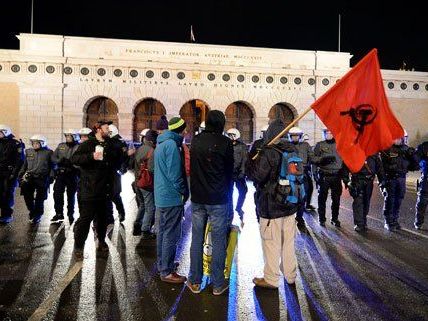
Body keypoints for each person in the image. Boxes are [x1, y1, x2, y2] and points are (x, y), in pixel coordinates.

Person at [246, 119, 299, 289]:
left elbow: (257, 176)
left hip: (271, 205)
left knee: (271, 242)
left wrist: (250, 161)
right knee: (288, 241)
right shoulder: (292, 150)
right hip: (289, 203)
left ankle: (270, 278)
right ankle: (290, 275)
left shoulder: (269, 152)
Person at [186, 110, 234, 295]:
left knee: (197, 239)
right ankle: (217, 284)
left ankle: (195, 281)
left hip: (198, 198)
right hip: (218, 199)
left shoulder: (196, 140)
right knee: (219, 240)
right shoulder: (225, 142)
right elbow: (229, 172)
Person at [71, 120, 122, 259]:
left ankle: (101, 241)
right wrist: (90, 156)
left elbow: (116, 163)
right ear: (99, 129)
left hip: (105, 190)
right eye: (106, 128)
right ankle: (79, 247)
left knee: (103, 219)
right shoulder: (88, 144)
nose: (108, 131)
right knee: (85, 220)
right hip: (89, 190)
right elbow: (74, 159)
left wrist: (123, 155)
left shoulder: (110, 144)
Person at [154, 117, 189, 284]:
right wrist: (183, 191)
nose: (187, 132)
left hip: (161, 196)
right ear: (180, 130)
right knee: (170, 234)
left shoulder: (161, 144)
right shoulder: (172, 146)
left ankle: (163, 265)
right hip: (171, 197)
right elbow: (175, 175)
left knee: (162, 233)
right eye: (185, 129)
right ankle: (167, 271)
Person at [380, 133, 418, 230]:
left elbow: (415, 166)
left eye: (401, 138)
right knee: (390, 200)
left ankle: (395, 220)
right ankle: (388, 221)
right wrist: (384, 178)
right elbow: (381, 166)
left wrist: (413, 156)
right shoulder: (387, 149)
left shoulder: (406, 149)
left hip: (402, 178)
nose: (399, 139)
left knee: (398, 200)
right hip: (391, 178)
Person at [313, 128, 349, 227]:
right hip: (324, 175)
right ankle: (322, 219)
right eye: (326, 133)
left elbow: (344, 162)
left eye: (330, 132)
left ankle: (335, 218)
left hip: (337, 176)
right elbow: (313, 159)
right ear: (324, 134)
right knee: (322, 199)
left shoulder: (340, 145)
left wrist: (345, 177)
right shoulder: (319, 145)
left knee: (336, 199)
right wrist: (315, 172)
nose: (328, 134)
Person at [18, 135, 55, 224]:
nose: (34, 145)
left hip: (42, 178)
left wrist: (51, 176)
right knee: (27, 195)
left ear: (42, 143)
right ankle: (32, 210)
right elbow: (25, 165)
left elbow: (52, 166)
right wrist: (20, 174)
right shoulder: (28, 151)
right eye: (33, 143)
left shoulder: (48, 152)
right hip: (29, 177)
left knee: (40, 198)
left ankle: (38, 214)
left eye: (37, 143)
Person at [287, 126, 316, 229]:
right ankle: (290, 218)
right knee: (289, 197)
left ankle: (300, 218)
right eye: (293, 136)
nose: (295, 138)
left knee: (302, 198)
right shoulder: (286, 146)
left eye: (296, 136)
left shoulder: (306, 145)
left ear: (300, 136)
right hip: (289, 175)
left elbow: (312, 157)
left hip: (303, 175)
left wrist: (320, 160)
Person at [349, 154, 385, 232]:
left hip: (369, 182)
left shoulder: (373, 154)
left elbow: (379, 168)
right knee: (358, 202)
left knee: (366, 202)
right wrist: (347, 180)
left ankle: (363, 221)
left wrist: (382, 180)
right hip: (357, 181)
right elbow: (346, 165)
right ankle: (359, 224)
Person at [51, 129, 80, 224]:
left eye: (69, 136)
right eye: (66, 136)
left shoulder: (79, 147)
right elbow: (53, 157)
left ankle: (70, 214)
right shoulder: (61, 146)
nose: (67, 138)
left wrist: (72, 164)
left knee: (71, 195)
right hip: (61, 174)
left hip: (72, 174)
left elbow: (81, 161)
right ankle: (59, 213)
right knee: (57, 194)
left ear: (74, 137)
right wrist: (60, 161)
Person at [133, 129, 158, 238]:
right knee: (150, 207)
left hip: (137, 181)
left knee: (142, 205)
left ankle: (137, 225)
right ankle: (145, 230)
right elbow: (152, 169)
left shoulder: (140, 148)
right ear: (153, 141)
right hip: (146, 183)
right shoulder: (151, 151)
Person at [0, 125, 24, 224]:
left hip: (10, 173)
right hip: (0, 172)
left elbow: (20, 160)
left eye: (1, 132)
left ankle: (7, 215)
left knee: (7, 194)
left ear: (5, 132)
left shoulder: (15, 144)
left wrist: (14, 173)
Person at [226, 128, 248, 225]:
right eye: (229, 135)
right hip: (229, 173)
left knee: (243, 191)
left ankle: (239, 207)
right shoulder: (226, 145)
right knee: (229, 193)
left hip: (239, 174)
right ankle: (229, 211)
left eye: (232, 135)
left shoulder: (242, 146)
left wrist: (242, 173)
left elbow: (244, 160)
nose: (231, 137)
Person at [108, 124, 128, 222]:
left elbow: (124, 158)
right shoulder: (109, 142)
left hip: (114, 172)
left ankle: (120, 212)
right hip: (110, 172)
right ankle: (111, 215)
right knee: (110, 195)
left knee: (114, 195)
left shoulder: (119, 143)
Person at [414, 140, 428, 229]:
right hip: (426, 179)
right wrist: (421, 163)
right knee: (422, 202)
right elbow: (416, 157)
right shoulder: (425, 146)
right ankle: (418, 223)